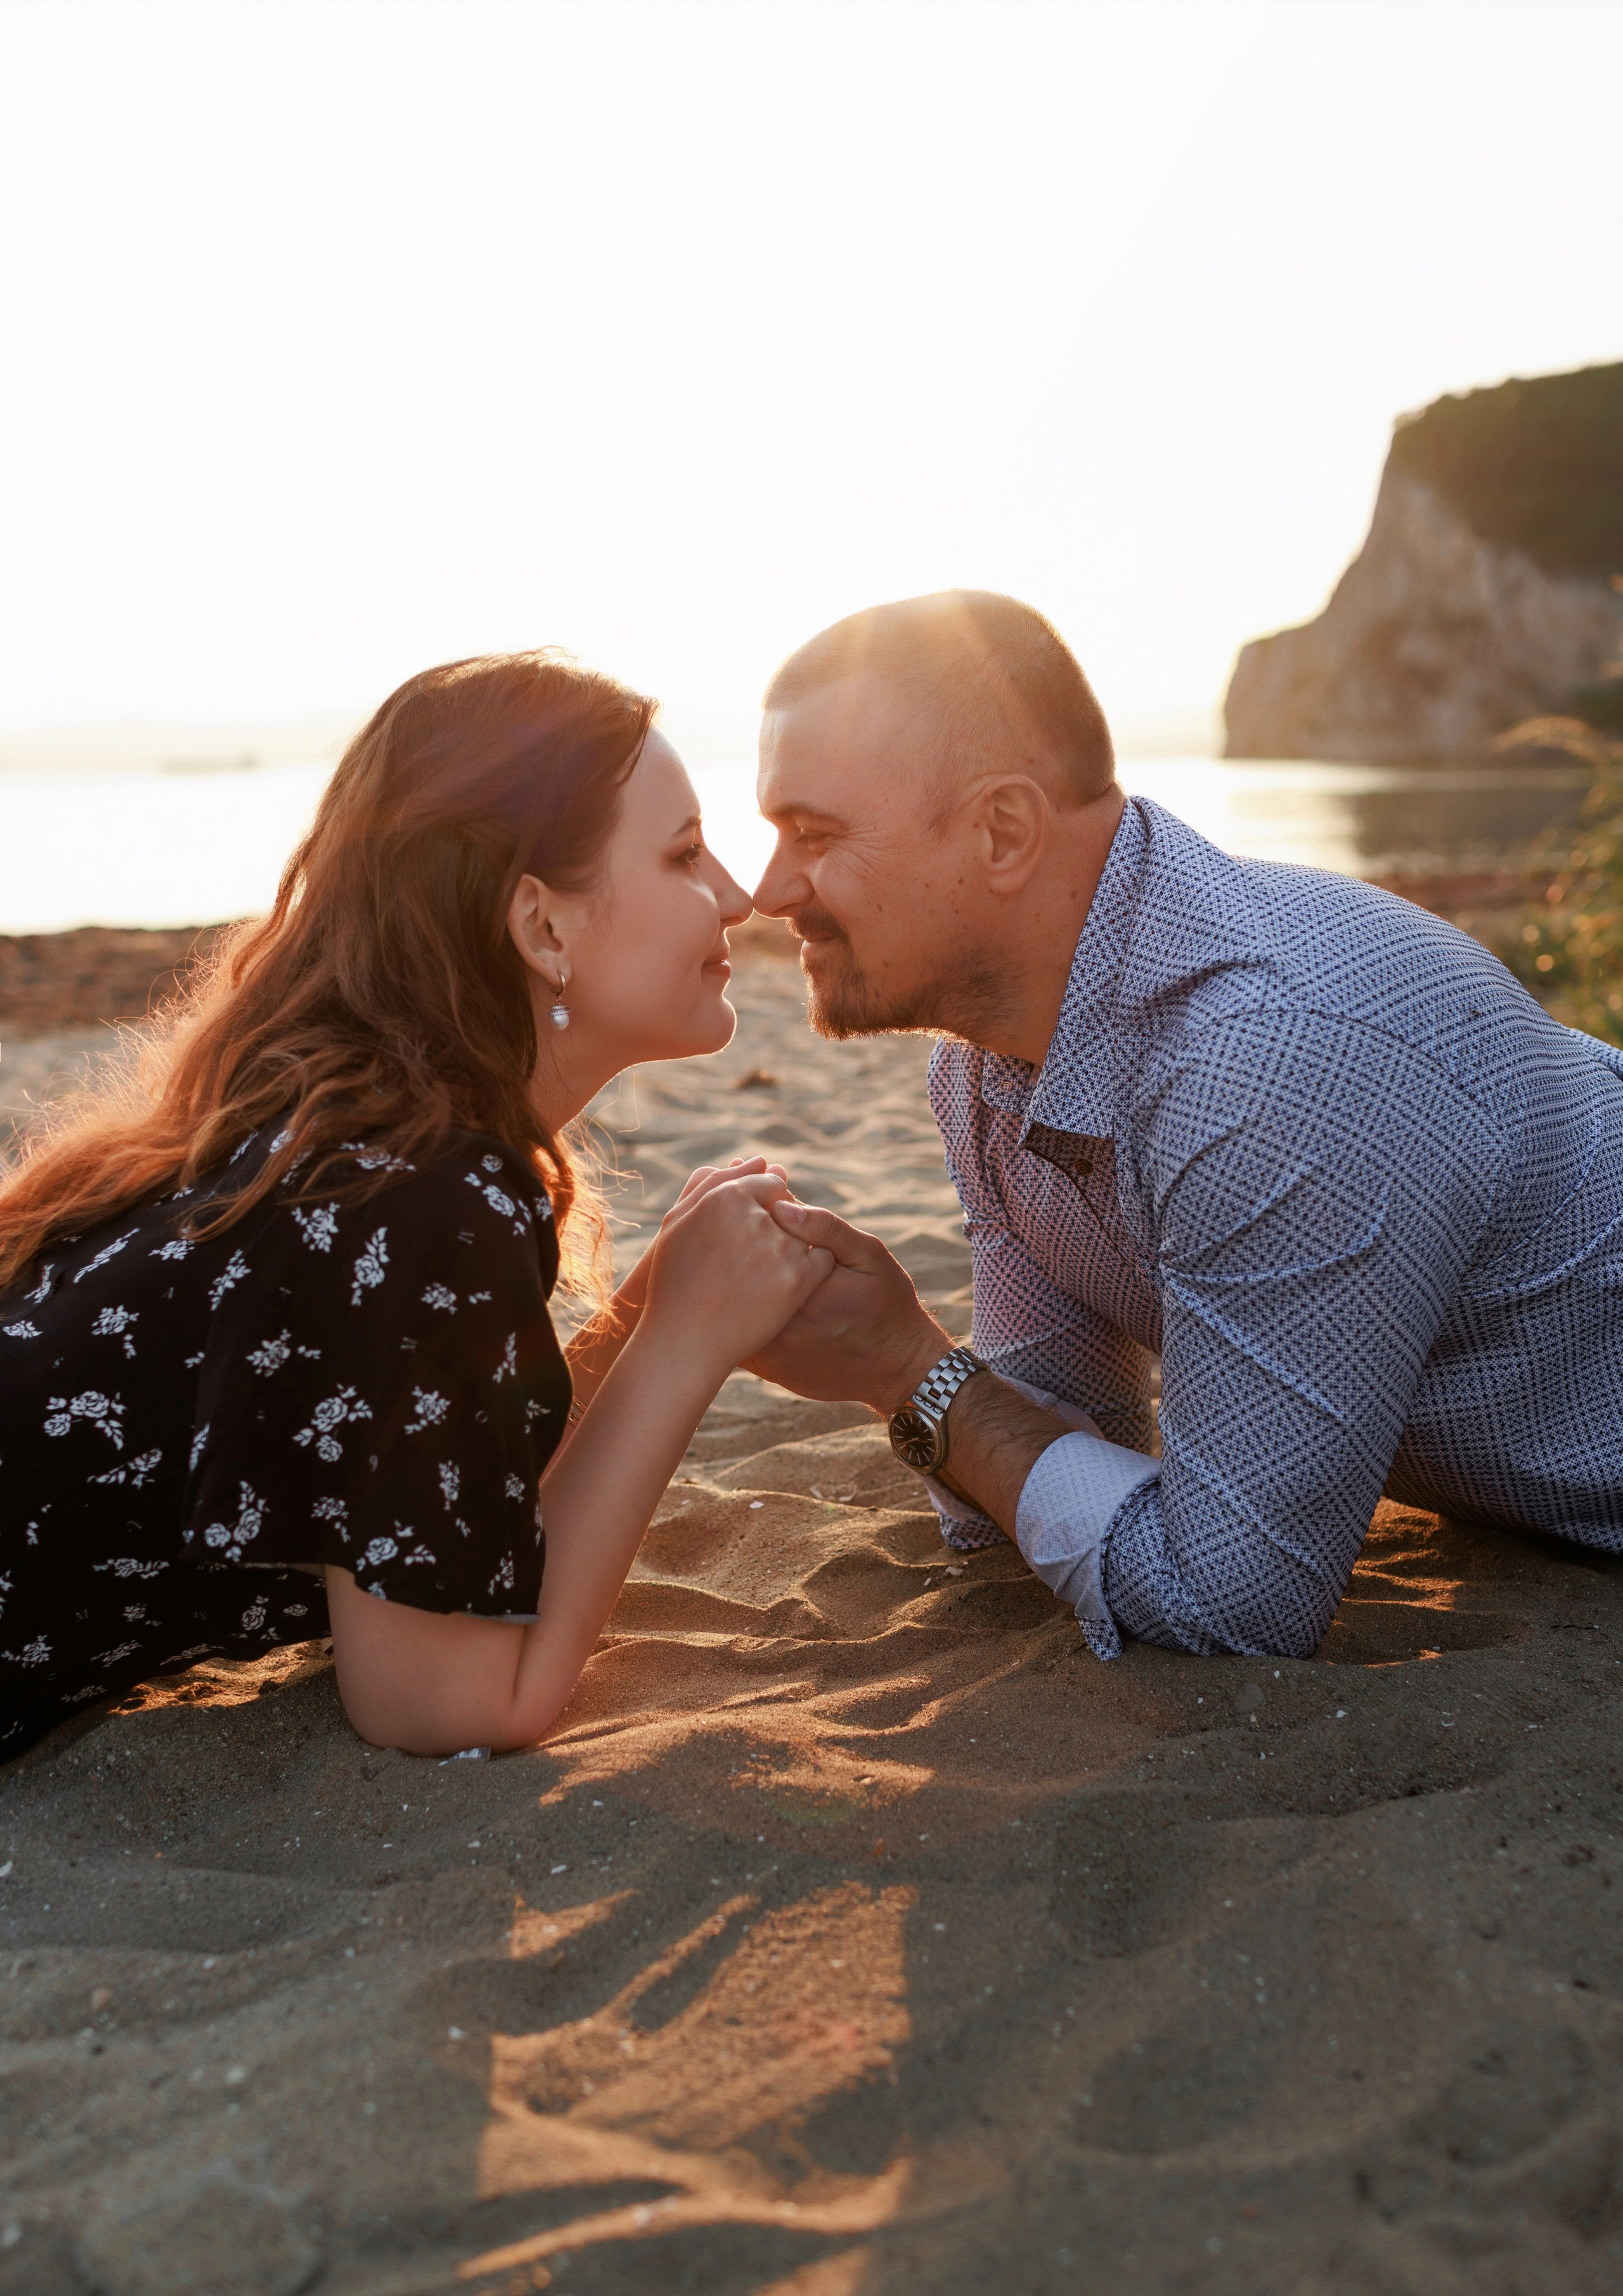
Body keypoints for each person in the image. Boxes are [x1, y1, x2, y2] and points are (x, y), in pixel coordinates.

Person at [747, 590, 1623, 1663]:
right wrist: (952, 1404)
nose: (767, 890)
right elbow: (1048, 1461)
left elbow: (1232, 1605)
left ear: (1003, 831)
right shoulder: (984, 1071)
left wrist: (908, 1370)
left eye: (814, 835)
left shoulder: (1262, 1069)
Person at [0, 653, 831, 1758]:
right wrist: (684, 1343)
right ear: (542, 928)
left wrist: (645, 1311)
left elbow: (438, 1496)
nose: (737, 897)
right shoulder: (421, 1193)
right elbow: (445, 1705)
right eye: (684, 854)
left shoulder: (361, 1141)